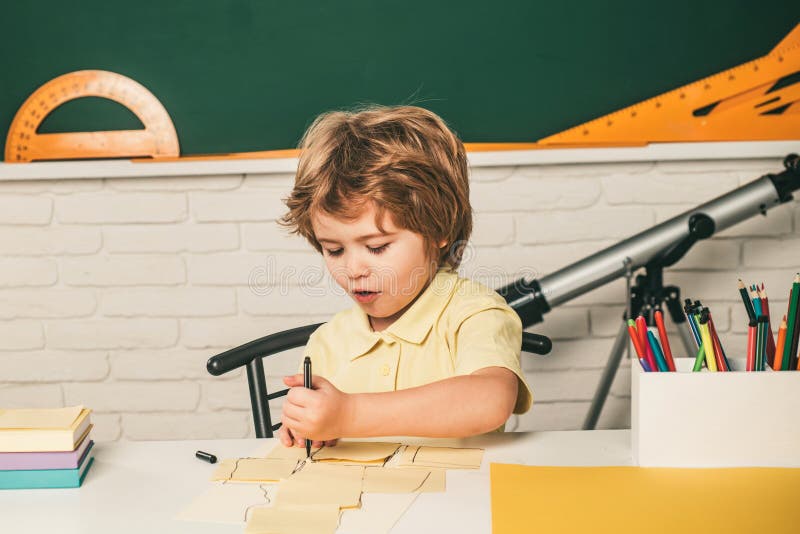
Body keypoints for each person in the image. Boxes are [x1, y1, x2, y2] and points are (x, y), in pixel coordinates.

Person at [277, 105, 532, 448]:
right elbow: (323, 424)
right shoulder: (329, 341)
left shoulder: (473, 313)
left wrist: (349, 414)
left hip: (457, 497)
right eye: (334, 250)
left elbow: (491, 399)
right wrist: (309, 423)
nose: (353, 270)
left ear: (438, 230)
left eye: (378, 247)